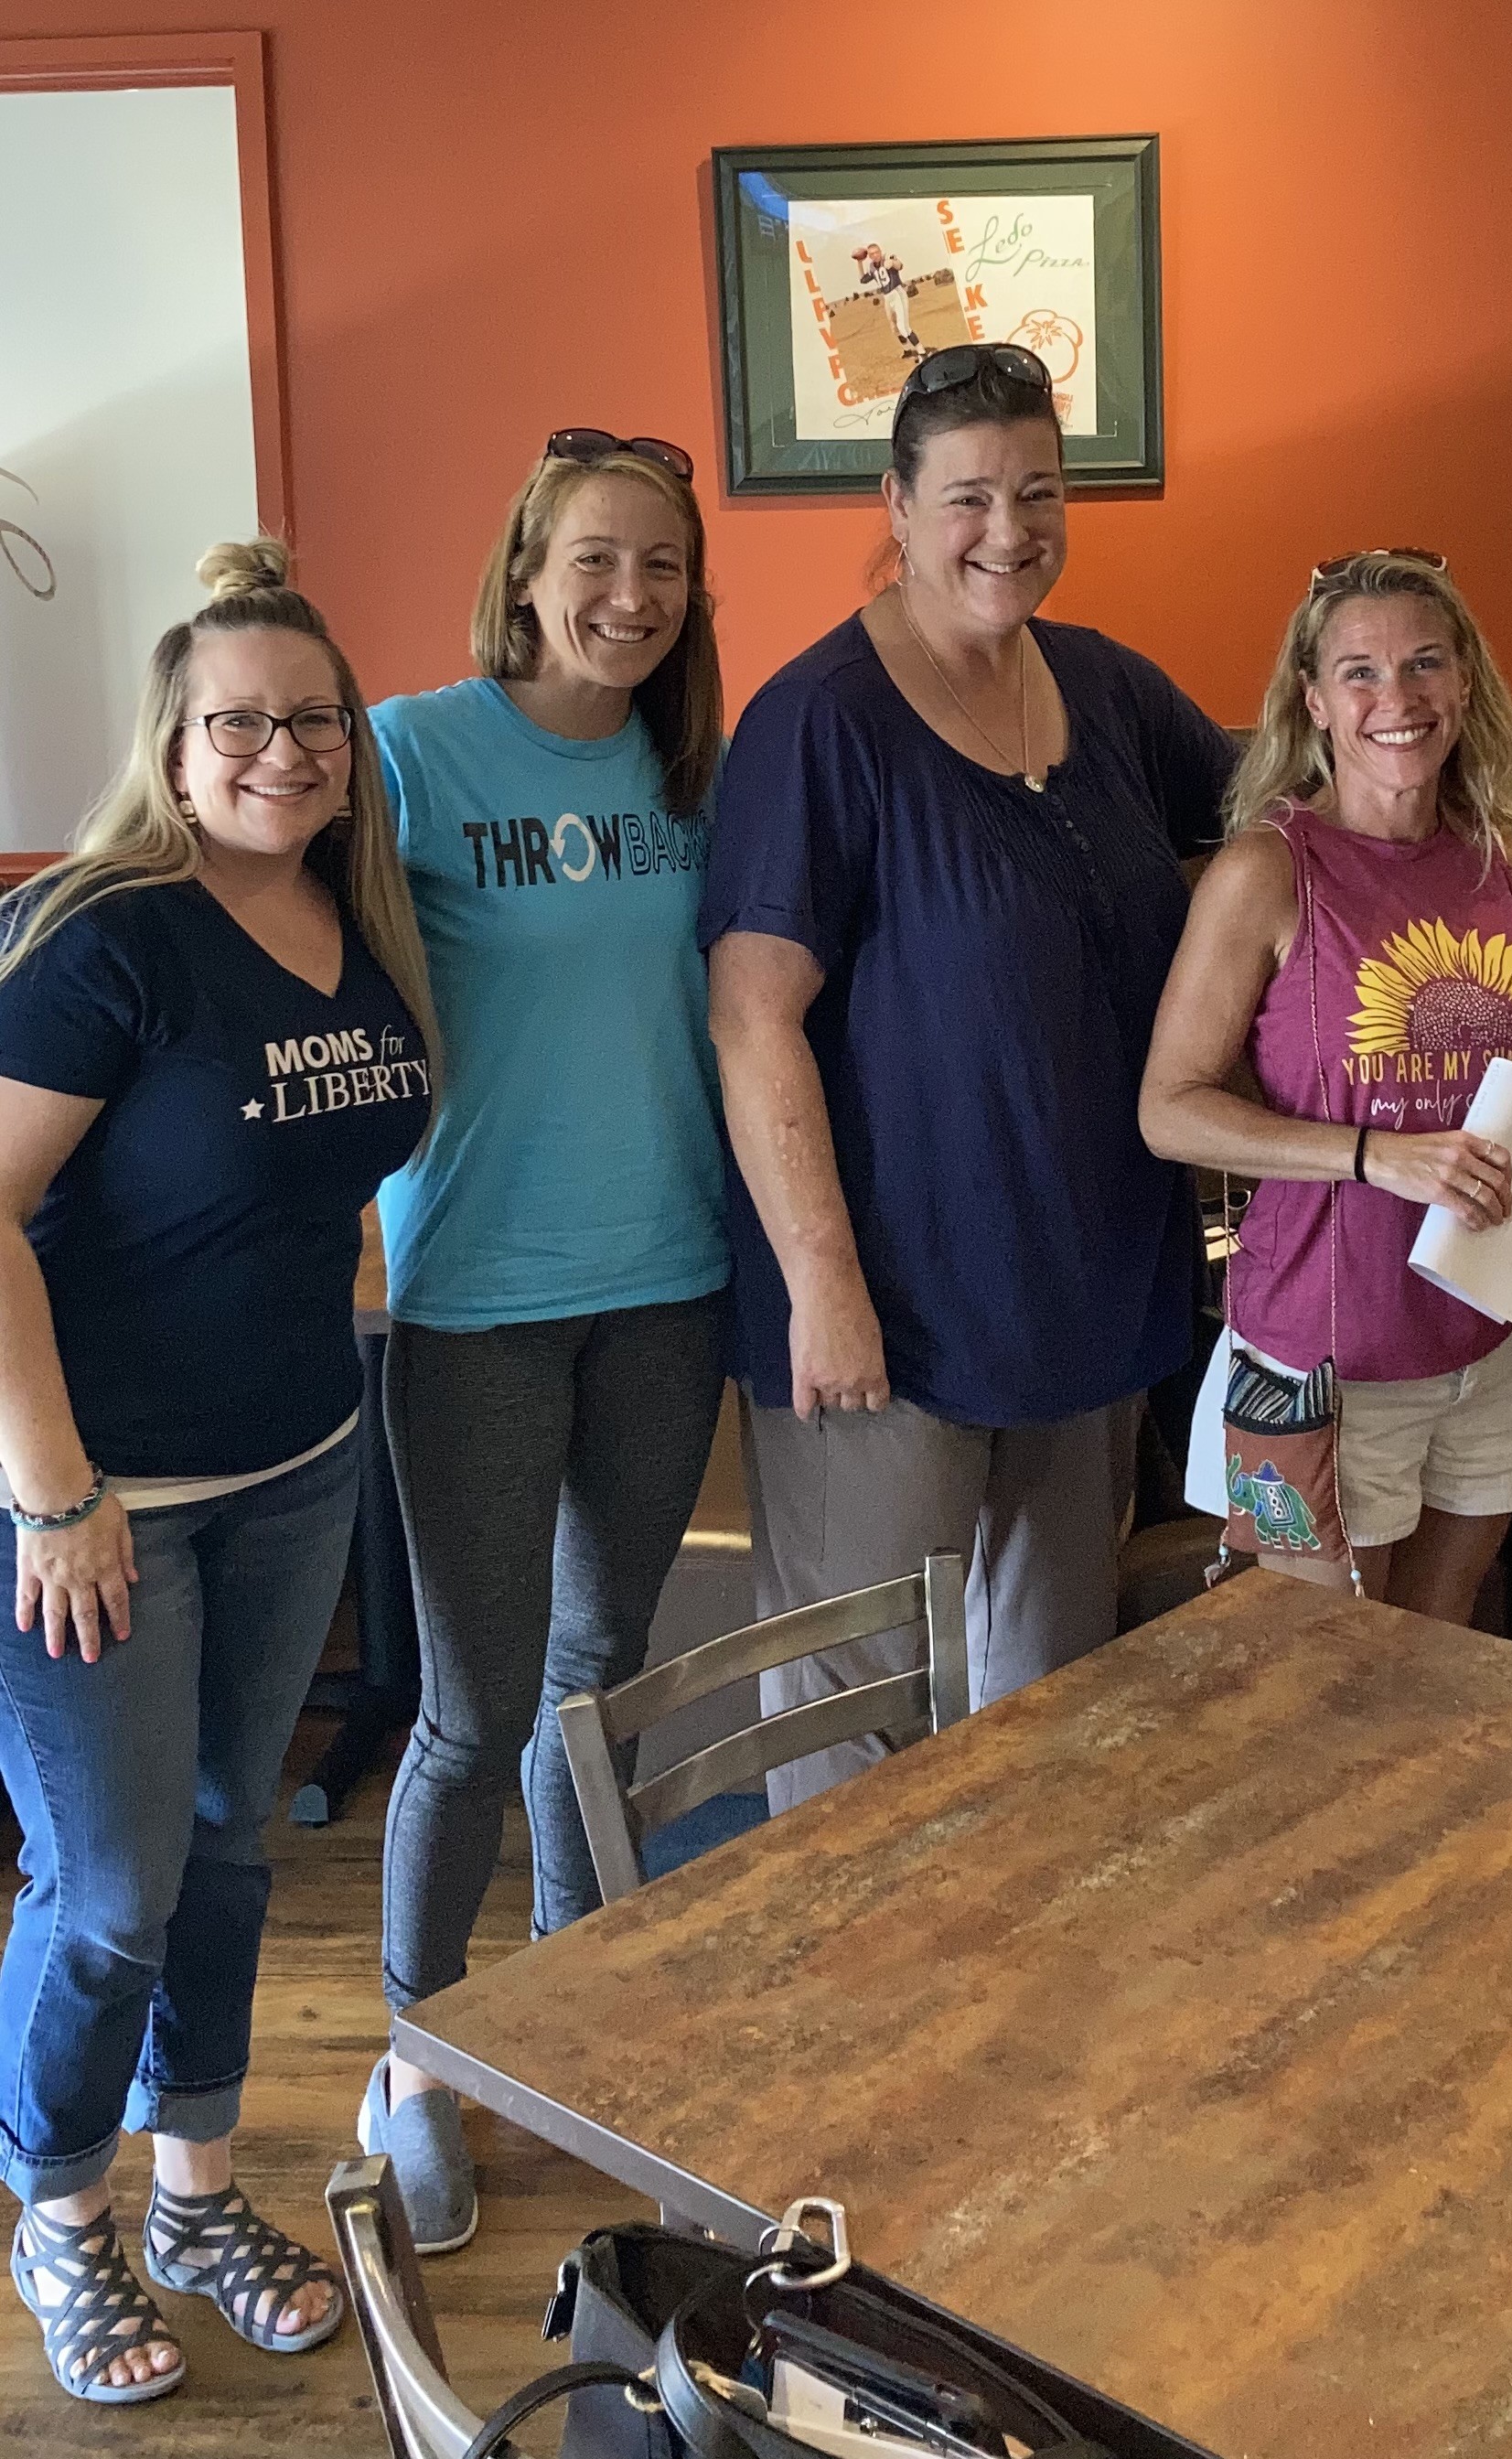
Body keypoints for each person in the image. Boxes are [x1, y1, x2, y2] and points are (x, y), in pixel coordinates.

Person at [0, 541, 436, 2401]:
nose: (282, 751)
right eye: (238, 723)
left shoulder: (357, 918)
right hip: (100, 1501)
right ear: (172, 746)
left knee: (226, 1854)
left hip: (296, 1461)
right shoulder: (102, 934)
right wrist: (54, 1491)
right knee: (110, 1892)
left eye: (313, 720)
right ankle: (59, 2215)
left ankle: (193, 2194)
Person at [702, 343, 1236, 1808]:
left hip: (1083, 1284)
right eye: (969, 497)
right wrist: (822, 1286)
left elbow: (1269, 827)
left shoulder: (1107, 687)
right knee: (855, 1716)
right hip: (892, 1305)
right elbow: (753, 1020)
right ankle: (844, 1963)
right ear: (897, 503)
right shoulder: (820, 720)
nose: (1010, 529)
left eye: (1039, 492)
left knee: (1051, 1705)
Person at [361, 431, 730, 2250]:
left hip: (669, 1282)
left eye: (662, 565)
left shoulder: (696, 770)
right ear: (524, 570)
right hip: (475, 1304)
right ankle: (416, 2061)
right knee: (473, 1709)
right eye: (595, 559)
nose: (630, 597)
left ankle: (570, 1999)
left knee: (600, 1672)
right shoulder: (410, 752)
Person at [1140, 551, 1512, 1624]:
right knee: (1320, 1680)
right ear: (1313, 699)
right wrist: (1372, 1155)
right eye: (1359, 671)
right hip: (1319, 1354)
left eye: (1424, 663)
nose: (1396, 697)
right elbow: (1167, 1109)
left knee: (1440, 1656)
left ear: (1465, 681)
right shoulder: (1266, 871)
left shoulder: (1508, 863)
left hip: (1491, 1338)